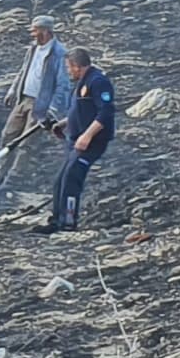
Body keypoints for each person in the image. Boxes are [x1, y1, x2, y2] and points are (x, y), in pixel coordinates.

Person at [48, 45, 117, 234]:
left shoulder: (98, 81)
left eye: (69, 68)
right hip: (75, 140)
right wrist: (63, 124)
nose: (68, 72)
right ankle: (56, 220)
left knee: (72, 178)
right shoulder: (81, 83)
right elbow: (81, 110)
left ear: (77, 66)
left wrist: (87, 135)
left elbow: (106, 112)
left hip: (91, 142)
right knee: (60, 180)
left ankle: (68, 223)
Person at [7, 18, 76, 149]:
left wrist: (53, 109)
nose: (32, 34)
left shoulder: (59, 53)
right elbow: (23, 71)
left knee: (26, 144)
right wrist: (12, 90)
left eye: (35, 30)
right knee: (8, 135)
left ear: (45, 31)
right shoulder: (32, 49)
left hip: (40, 105)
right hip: (23, 100)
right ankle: (2, 168)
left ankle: (18, 170)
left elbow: (63, 85)